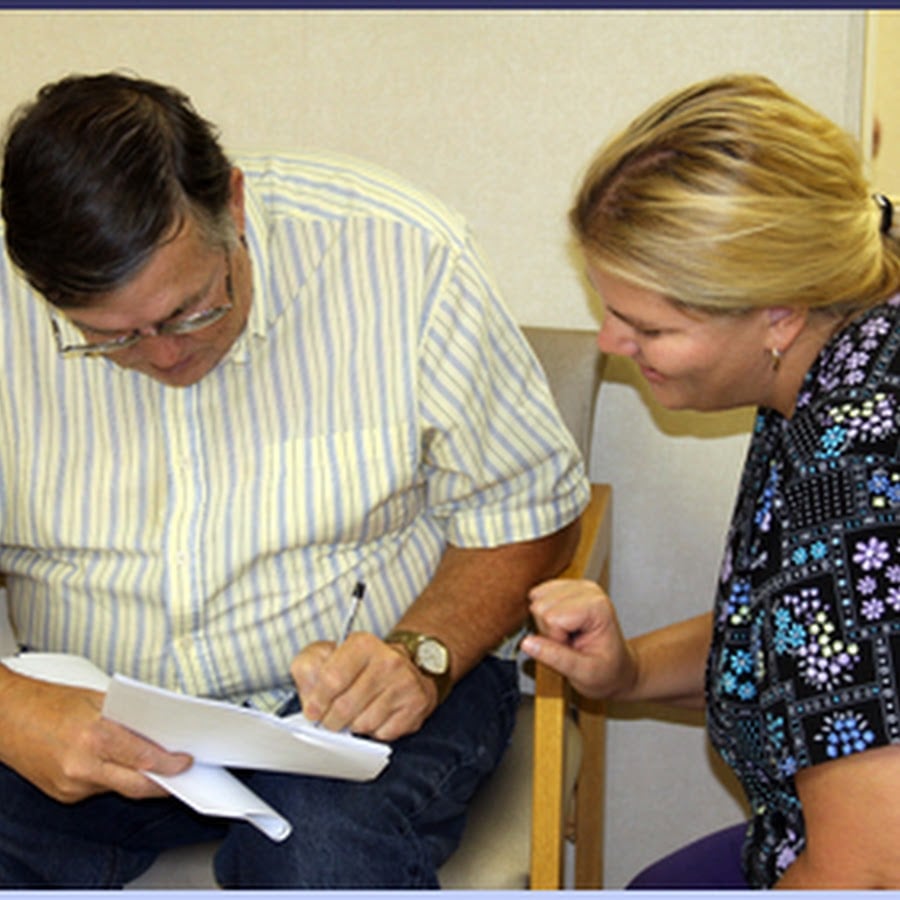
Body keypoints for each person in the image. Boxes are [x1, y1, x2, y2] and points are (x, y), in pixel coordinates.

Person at [0, 72, 589, 889]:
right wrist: (7, 706)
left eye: (192, 310)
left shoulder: (399, 254)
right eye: (110, 339)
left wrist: (421, 654)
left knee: (320, 852)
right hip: (87, 714)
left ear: (234, 206)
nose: (166, 356)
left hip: (363, 700)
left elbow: (528, 508)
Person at [521, 72, 900, 890]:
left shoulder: (857, 476)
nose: (611, 343)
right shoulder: (846, 330)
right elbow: (815, 643)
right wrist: (626, 672)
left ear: (777, 313)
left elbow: (867, 874)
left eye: (650, 326)